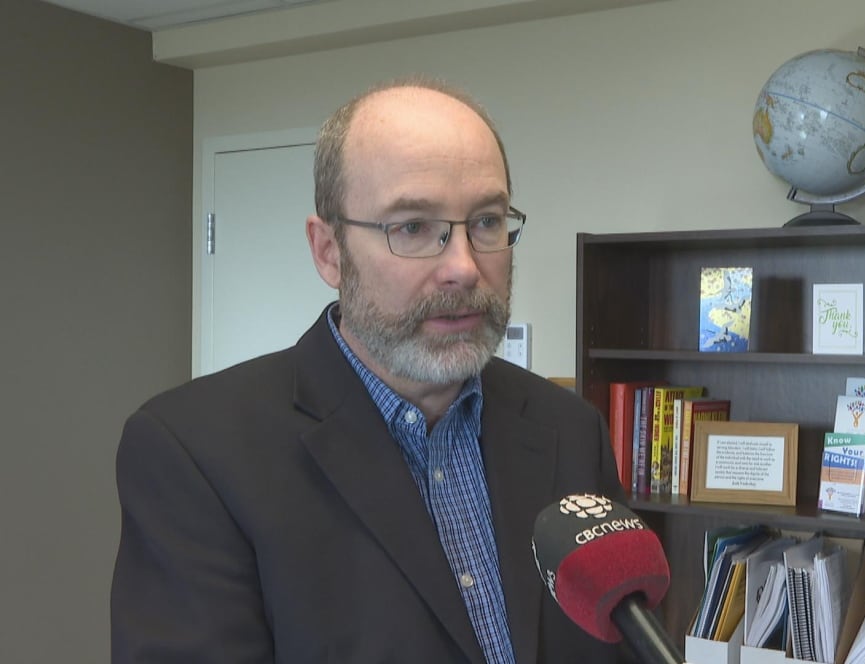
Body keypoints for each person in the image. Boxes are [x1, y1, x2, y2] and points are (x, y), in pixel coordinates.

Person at [111, 77, 628, 663]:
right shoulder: (195, 453)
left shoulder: (570, 429)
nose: (462, 266)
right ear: (329, 251)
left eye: (485, 221)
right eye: (411, 227)